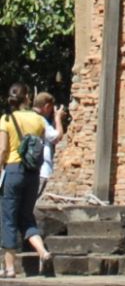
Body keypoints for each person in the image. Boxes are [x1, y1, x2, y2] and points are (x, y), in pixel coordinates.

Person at [0, 83, 52, 278]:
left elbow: (3, 149)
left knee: (8, 219)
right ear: (27, 97)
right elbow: (38, 143)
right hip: (32, 173)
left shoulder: (6, 119)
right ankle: (43, 252)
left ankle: (10, 268)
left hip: (12, 170)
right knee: (26, 216)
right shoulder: (38, 119)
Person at [32, 92, 64, 197]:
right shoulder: (41, 120)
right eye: (51, 109)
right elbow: (57, 137)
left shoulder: (25, 118)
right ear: (47, 106)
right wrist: (58, 118)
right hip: (41, 169)